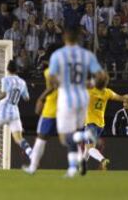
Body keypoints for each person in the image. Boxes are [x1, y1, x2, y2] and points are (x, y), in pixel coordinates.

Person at [45, 27, 105, 177]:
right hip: (83, 100)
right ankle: (80, 162)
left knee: (66, 136)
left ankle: (74, 165)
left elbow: (52, 78)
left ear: (65, 39)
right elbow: (101, 76)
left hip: (67, 99)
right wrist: (92, 84)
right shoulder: (87, 56)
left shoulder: (58, 55)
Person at [84, 74, 128, 170]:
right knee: (88, 149)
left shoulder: (89, 91)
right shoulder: (107, 92)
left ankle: (102, 159)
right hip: (100, 125)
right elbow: (123, 98)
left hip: (91, 123)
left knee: (90, 148)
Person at [24, 43, 61, 175]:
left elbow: (53, 86)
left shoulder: (49, 72)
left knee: (41, 137)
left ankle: (33, 166)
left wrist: (41, 98)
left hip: (51, 108)